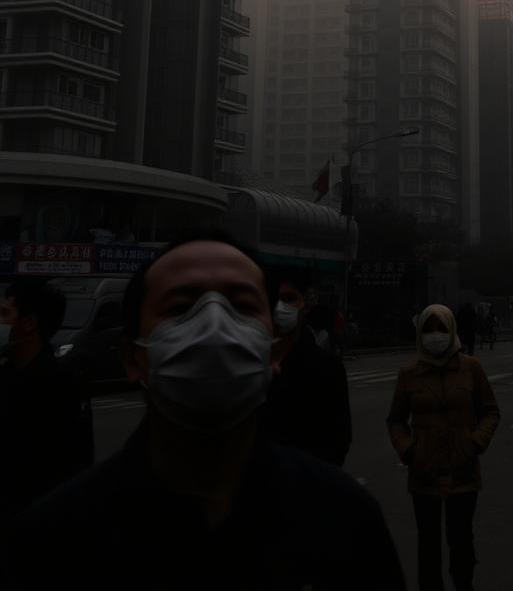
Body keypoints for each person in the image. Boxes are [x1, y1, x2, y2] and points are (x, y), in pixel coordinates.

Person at [2, 234, 405, 591]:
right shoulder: (53, 539)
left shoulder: (345, 520)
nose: (214, 324)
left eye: (241, 306)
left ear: (274, 352)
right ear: (132, 356)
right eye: (181, 306)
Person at [387, 304, 500, 591]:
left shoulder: (471, 368)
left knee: (461, 541)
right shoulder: (409, 373)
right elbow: (396, 421)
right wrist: (410, 451)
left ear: (451, 330)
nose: (435, 335)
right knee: (428, 545)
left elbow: (490, 411)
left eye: (440, 329)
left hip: (463, 472)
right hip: (424, 474)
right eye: (428, 329)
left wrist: (475, 443)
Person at [0, 276, 94, 529]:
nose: (1, 321)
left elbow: (76, 466)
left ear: (28, 323)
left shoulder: (62, 383)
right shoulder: (7, 374)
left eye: (4, 313)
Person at [266, 269, 352, 467]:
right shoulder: (248, 362)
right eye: (275, 299)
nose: (281, 307)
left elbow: (338, 439)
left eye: (289, 299)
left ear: (305, 305)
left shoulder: (328, 368)